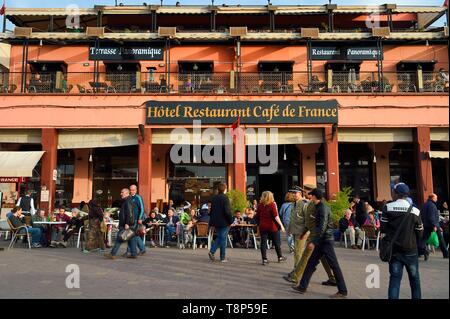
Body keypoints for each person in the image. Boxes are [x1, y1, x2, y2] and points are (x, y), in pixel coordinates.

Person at [293, 188, 348, 298]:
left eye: (311, 195)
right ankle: (302, 286)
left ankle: (342, 291)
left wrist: (314, 241)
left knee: (334, 265)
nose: (310, 197)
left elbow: (322, 227)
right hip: (321, 240)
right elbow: (311, 223)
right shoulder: (318, 206)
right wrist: (304, 233)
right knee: (311, 263)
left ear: (314, 196)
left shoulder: (322, 208)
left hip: (326, 240)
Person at [288, 185, 337, 287]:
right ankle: (332, 278)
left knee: (304, 256)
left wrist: (312, 237)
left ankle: (296, 277)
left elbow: (319, 221)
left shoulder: (316, 204)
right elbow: (308, 220)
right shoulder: (309, 203)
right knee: (323, 257)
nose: (305, 193)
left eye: (306, 191)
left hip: (315, 235)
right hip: (312, 234)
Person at [380, 183, 423, 299]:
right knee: (415, 280)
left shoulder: (387, 208)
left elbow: (383, 228)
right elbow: (420, 232)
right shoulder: (415, 211)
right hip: (411, 250)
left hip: (394, 250)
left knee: (395, 279)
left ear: (396, 194)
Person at [105, 188, 138, 259]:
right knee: (131, 238)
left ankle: (112, 254)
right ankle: (134, 254)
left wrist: (127, 223)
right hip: (127, 224)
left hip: (125, 224)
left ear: (127, 193)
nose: (121, 194)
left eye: (122, 192)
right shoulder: (127, 201)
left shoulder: (128, 201)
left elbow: (130, 214)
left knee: (119, 238)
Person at [256, 191, 287, 265]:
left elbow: (257, 216)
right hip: (272, 227)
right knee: (276, 242)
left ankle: (264, 259)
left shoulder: (260, 205)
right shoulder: (272, 204)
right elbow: (276, 216)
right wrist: (281, 225)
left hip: (263, 226)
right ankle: (280, 257)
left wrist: (258, 225)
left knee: (263, 243)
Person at [208, 182, 233, 263]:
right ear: (225, 189)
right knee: (222, 238)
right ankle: (215, 253)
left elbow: (211, 211)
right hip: (224, 221)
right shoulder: (225, 198)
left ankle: (221, 256)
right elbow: (227, 211)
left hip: (216, 221)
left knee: (221, 237)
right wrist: (230, 220)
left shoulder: (214, 198)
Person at [419, 194, 449, 260]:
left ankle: (422, 251)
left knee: (424, 239)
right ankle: (446, 254)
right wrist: (435, 225)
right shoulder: (432, 205)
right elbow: (431, 217)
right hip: (433, 224)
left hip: (427, 225)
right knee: (441, 239)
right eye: (436, 198)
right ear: (432, 198)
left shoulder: (424, 204)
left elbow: (422, 215)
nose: (437, 199)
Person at [129, 185, 146, 256]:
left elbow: (142, 208)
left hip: (136, 220)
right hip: (130, 220)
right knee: (134, 235)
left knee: (131, 235)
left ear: (136, 190)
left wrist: (140, 218)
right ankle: (142, 249)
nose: (131, 191)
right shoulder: (129, 198)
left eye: (133, 190)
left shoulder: (138, 197)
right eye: (130, 190)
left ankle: (129, 251)